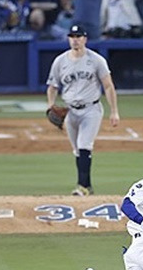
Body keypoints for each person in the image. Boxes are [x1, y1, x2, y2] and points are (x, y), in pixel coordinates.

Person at [45, 25, 120, 196]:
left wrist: (114, 111)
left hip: (91, 109)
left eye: (79, 36)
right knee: (77, 151)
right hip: (70, 112)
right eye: (72, 36)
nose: (75, 39)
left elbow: (108, 86)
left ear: (85, 39)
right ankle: (88, 186)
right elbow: (52, 86)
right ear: (68, 39)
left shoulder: (96, 60)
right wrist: (50, 105)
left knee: (84, 145)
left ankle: (81, 186)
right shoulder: (60, 61)